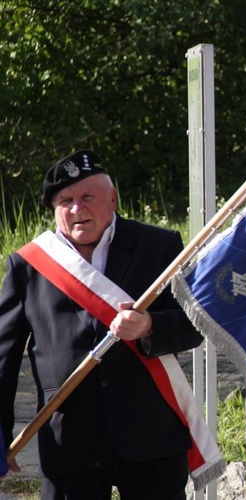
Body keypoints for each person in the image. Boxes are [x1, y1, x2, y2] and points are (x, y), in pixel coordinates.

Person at [0, 150, 205, 499]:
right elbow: (3, 357)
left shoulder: (159, 246)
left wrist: (148, 327)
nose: (77, 209)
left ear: (113, 198)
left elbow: (196, 324)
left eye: (87, 197)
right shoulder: (29, 265)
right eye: (65, 201)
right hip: (69, 438)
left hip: (149, 436)